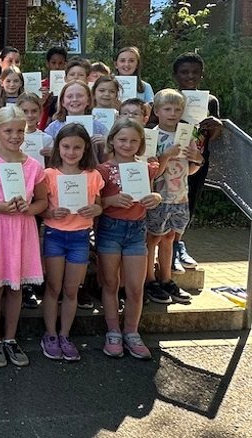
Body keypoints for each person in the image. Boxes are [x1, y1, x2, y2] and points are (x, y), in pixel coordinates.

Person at [0, 106, 47, 368]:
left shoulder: (34, 166)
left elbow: (42, 201)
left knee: (15, 289)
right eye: (8, 130)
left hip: (22, 231)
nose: (15, 136)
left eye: (19, 131)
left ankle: (10, 339)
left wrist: (30, 208)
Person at [96, 119, 162, 359]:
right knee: (111, 283)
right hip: (110, 229)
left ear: (141, 143)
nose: (128, 144)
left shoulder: (146, 167)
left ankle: (132, 332)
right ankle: (113, 331)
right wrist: (110, 202)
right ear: (112, 140)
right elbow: (94, 204)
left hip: (136, 231)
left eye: (134, 140)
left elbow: (151, 193)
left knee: (135, 287)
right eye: (122, 139)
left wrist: (155, 197)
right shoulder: (103, 170)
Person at [39, 124, 104, 362]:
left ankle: (65, 335)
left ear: (85, 148)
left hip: (79, 238)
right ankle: (50, 334)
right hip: (55, 236)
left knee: (70, 289)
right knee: (53, 287)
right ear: (58, 147)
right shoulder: (49, 175)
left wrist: (94, 209)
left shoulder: (92, 175)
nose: (71, 152)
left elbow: (99, 205)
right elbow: (42, 208)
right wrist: (50, 214)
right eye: (66, 146)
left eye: (77, 147)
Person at [144, 89, 203, 304]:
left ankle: (166, 278)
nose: (173, 113)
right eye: (167, 109)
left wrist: (197, 158)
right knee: (153, 238)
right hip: (159, 195)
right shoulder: (152, 136)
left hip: (180, 196)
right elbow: (152, 173)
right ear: (157, 111)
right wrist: (166, 156)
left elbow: (191, 169)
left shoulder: (188, 134)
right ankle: (149, 279)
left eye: (177, 109)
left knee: (169, 237)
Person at [170, 52, 223, 272]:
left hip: (199, 159)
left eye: (195, 72)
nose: (190, 76)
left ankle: (178, 243)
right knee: (171, 201)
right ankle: (169, 246)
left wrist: (217, 126)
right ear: (175, 75)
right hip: (173, 159)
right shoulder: (170, 97)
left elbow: (214, 135)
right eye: (184, 72)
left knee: (190, 201)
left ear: (202, 74)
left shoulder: (210, 100)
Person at [45, 80, 108, 163]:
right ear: (63, 102)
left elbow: (105, 161)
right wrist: (51, 153)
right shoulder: (53, 128)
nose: (74, 99)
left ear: (88, 100)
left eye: (79, 96)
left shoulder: (99, 128)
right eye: (69, 96)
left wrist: (105, 145)